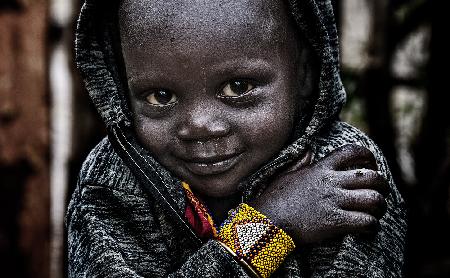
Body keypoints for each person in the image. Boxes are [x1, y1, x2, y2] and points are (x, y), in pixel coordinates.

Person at [67, 0, 406, 277]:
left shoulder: (345, 175)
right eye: (160, 96)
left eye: (238, 87)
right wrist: (263, 228)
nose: (199, 125)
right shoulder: (110, 184)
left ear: (304, 73)